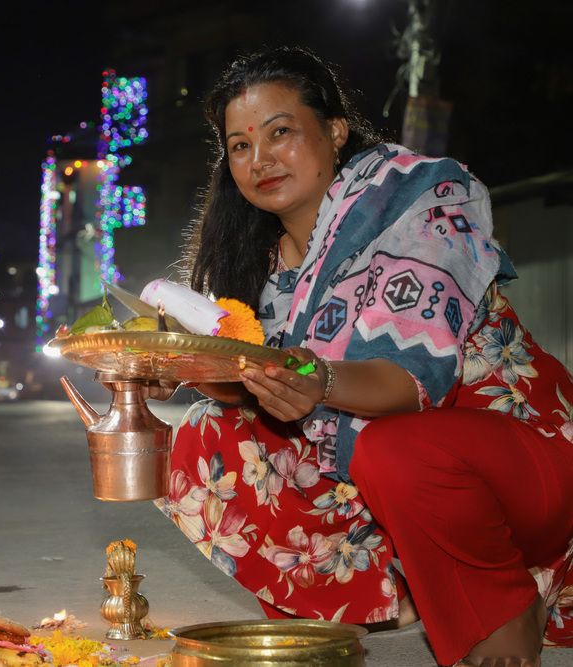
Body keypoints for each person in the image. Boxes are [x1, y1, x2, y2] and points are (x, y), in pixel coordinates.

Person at [155, 46, 573, 667]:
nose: (260, 159)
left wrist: (314, 378)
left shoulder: (417, 199)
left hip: (525, 471)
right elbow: (274, 389)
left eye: (280, 132)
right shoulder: (266, 273)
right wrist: (182, 370)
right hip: (394, 491)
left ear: (335, 130)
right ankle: (366, 602)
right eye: (240, 146)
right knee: (210, 434)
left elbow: (407, 384)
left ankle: (504, 604)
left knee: (393, 446)